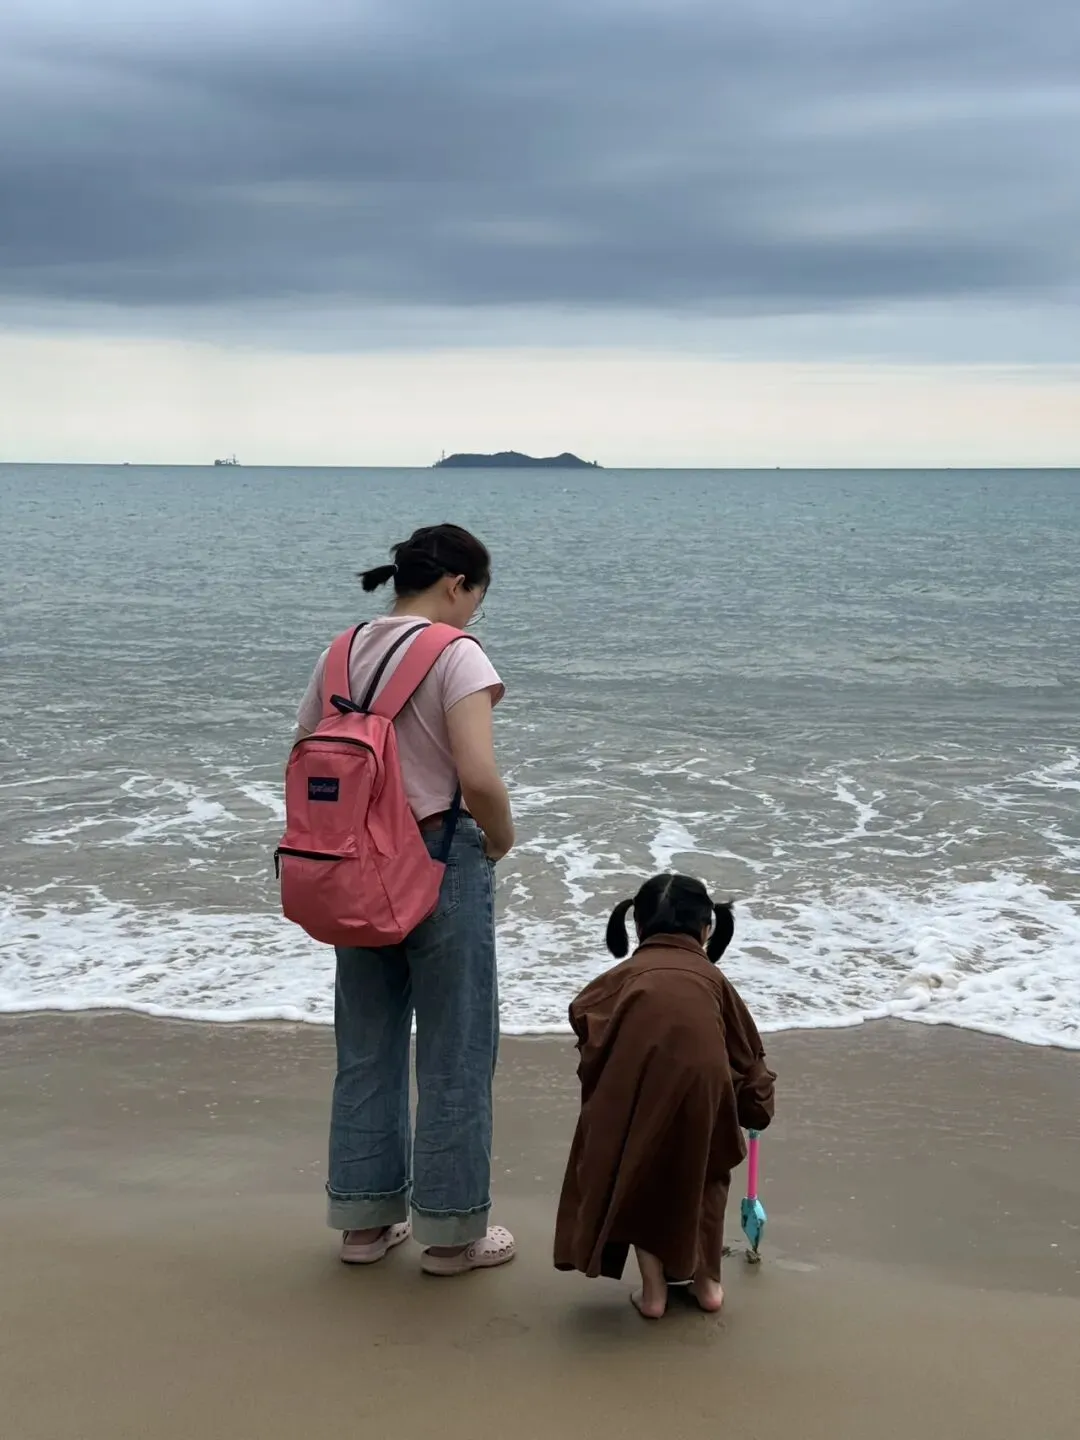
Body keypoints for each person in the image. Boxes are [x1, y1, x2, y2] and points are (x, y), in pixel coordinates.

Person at [294, 524, 517, 1276]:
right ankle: (452, 1237)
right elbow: (477, 777)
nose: (475, 612)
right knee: (456, 1051)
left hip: (352, 865)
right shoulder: (457, 653)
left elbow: (305, 753)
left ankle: (363, 1226)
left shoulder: (341, 651)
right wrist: (501, 839)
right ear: (457, 584)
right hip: (438, 857)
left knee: (366, 1047)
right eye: (478, 597)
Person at [553, 873, 776, 1318]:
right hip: (705, 1093)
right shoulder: (713, 979)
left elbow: (583, 1014)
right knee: (707, 1178)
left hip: (634, 1096)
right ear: (706, 928)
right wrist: (756, 1108)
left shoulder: (619, 978)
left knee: (642, 1178)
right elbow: (748, 1055)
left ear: (637, 926)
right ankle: (707, 1286)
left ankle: (654, 1294)